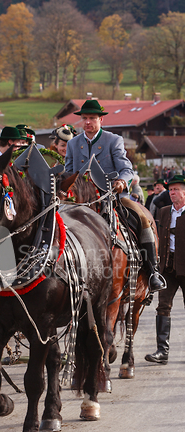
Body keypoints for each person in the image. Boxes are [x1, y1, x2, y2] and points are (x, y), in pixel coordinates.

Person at [65, 99, 165, 292]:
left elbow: (126, 168)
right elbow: (69, 172)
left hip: (112, 195)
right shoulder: (73, 144)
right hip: (80, 200)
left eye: (92, 118)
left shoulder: (113, 140)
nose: (87, 122)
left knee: (142, 218)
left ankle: (152, 272)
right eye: (84, 118)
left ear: (101, 119)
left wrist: (121, 181)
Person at [145, 175, 185, 364]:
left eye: (176, 189)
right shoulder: (164, 212)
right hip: (167, 268)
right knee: (163, 306)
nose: (172, 193)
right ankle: (162, 351)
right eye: (170, 190)